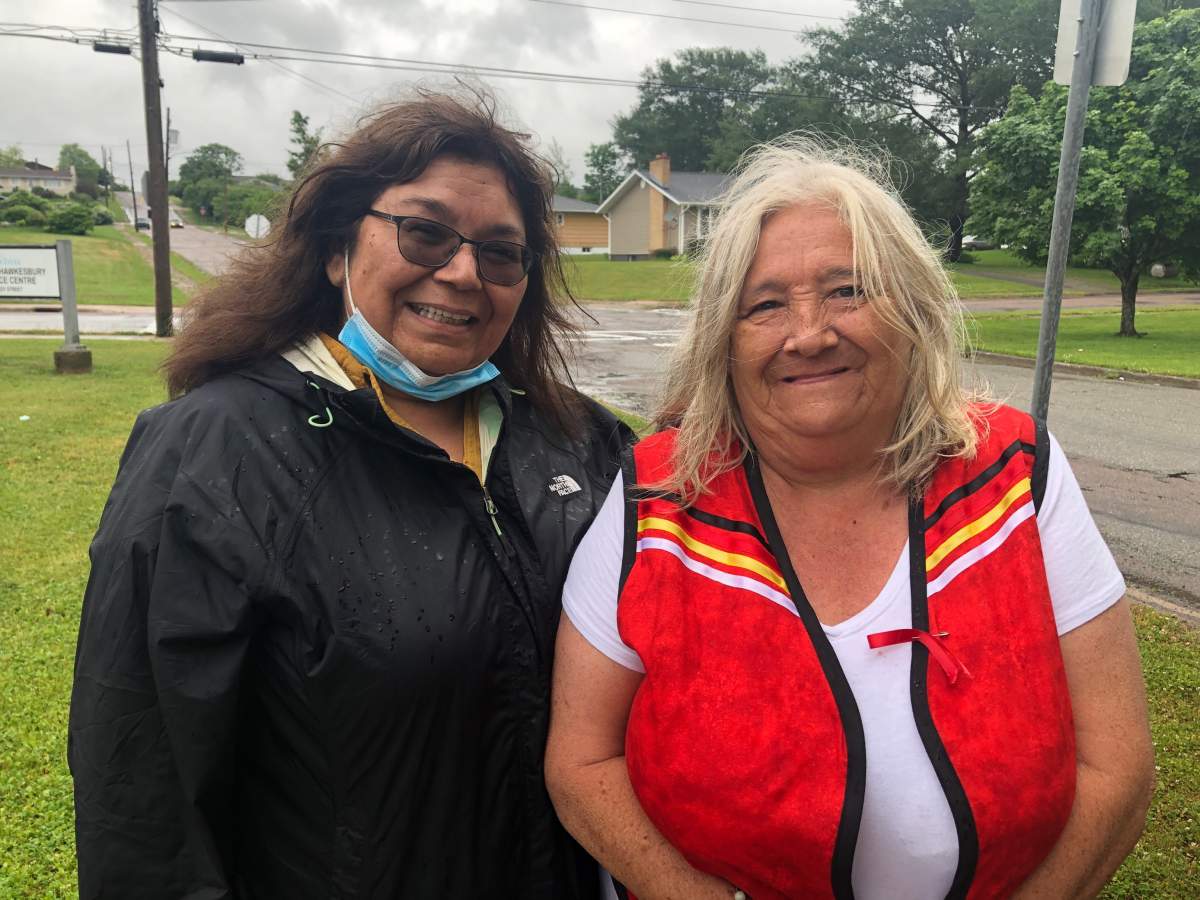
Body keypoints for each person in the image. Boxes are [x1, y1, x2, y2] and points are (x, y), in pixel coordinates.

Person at [544, 138, 1155, 900]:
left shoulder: (1016, 475)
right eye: (765, 305)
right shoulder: (658, 499)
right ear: (721, 343)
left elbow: (1118, 770)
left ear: (913, 307)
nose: (809, 333)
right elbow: (581, 763)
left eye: (847, 291)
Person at [69, 90, 630, 899]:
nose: (465, 272)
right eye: (426, 232)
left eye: (502, 252)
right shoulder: (213, 457)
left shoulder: (579, 443)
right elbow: (146, 802)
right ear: (338, 247)